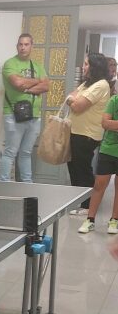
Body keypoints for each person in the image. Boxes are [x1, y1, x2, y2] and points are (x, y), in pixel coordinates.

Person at [0, 33, 50, 183]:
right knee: (10, 152)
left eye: (26, 44)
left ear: (31, 46)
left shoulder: (38, 66)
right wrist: (37, 81)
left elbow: (46, 86)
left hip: (34, 115)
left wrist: (26, 88)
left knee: (26, 152)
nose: (23, 47)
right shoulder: (10, 64)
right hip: (13, 114)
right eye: (20, 44)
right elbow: (17, 83)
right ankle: (4, 183)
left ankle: (27, 184)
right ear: (17, 46)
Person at [66, 52, 111, 215]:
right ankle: (79, 201)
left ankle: (88, 205)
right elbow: (71, 96)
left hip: (87, 134)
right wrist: (73, 100)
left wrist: (72, 100)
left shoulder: (101, 85)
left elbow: (77, 106)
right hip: (75, 132)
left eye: (86, 64)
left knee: (82, 169)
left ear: (94, 66)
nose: (83, 67)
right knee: (74, 167)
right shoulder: (87, 84)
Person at [78, 90, 118, 235]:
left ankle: (114, 220)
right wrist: (110, 124)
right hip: (108, 149)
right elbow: (105, 123)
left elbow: (110, 123)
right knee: (99, 184)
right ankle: (90, 220)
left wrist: (114, 124)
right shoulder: (114, 100)